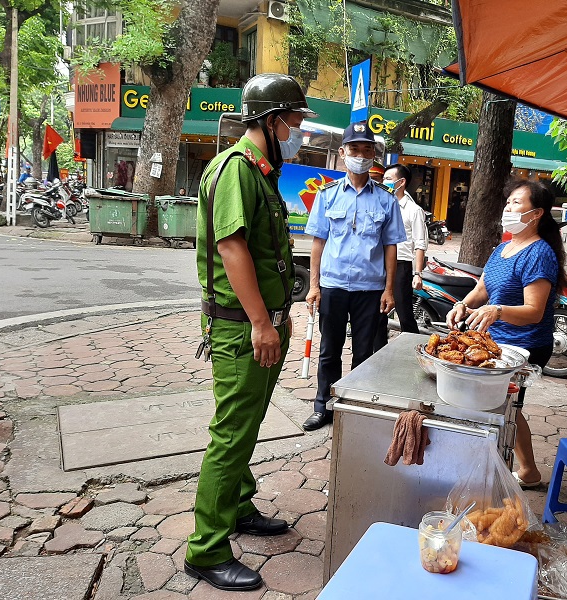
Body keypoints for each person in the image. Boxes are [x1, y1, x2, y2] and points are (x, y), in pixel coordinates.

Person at [184, 73, 318, 592]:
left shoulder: (259, 171)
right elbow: (232, 249)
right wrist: (263, 323)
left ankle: (237, 508)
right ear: (271, 119)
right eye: (296, 120)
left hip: (260, 325)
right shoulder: (236, 169)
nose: (299, 129)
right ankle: (206, 549)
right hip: (243, 330)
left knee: (248, 423)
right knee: (232, 434)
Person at [446, 178, 567, 488]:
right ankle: (521, 469)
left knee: (502, 405)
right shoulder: (503, 247)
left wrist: (496, 310)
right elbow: (484, 288)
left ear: (537, 213)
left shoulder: (539, 253)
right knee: (497, 404)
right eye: (509, 202)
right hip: (496, 339)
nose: (509, 208)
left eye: (517, 203)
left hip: (523, 344)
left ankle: (517, 470)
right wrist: (463, 305)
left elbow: (534, 311)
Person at [302, 121, 407, 431]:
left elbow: (391, 248)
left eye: (367, 149)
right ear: (343, 153)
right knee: (328, 351)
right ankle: (324, 406)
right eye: (355, 149)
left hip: (370, 290)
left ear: (373, 155)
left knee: (364, 353)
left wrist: (389, 290)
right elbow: (318, 242)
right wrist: (313, 285)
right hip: (333, 287)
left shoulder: (387, 200)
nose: (361, 155)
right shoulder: (327, 195)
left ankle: (354, 406)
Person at [374, 163, 428, 350]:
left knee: (404, 313)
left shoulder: (413, 211)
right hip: (379, 264)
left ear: (401, 182)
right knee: (378, 312)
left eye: (388, 179)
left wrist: (417, 273)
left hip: (402, 265)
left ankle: (412, 352)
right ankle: (379, 352)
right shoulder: (381, 205)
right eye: (384, 179)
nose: (384, 182)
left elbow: (419, 244)